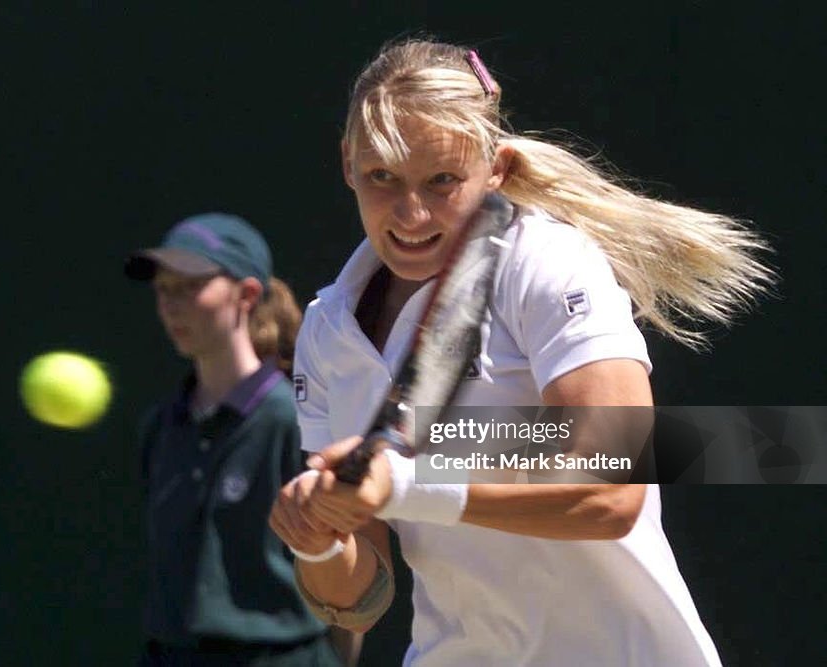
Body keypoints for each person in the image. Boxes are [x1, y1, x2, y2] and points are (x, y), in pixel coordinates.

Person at [268, 39, 774, 666]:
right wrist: (319, 538)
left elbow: (612, 493)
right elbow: (363, 597)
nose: (411, 212)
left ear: (497, 169)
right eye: (382, 177)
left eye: (443, 180)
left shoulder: (549, 264)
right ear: (348, 164)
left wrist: (402, 483)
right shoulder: (327, 330)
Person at [125, 213, 343, 666]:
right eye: (164, 290)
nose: (172, 305)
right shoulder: (161, 427)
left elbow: (345, 585)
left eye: (190, 286)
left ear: (246, 294)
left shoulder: (293, 421)